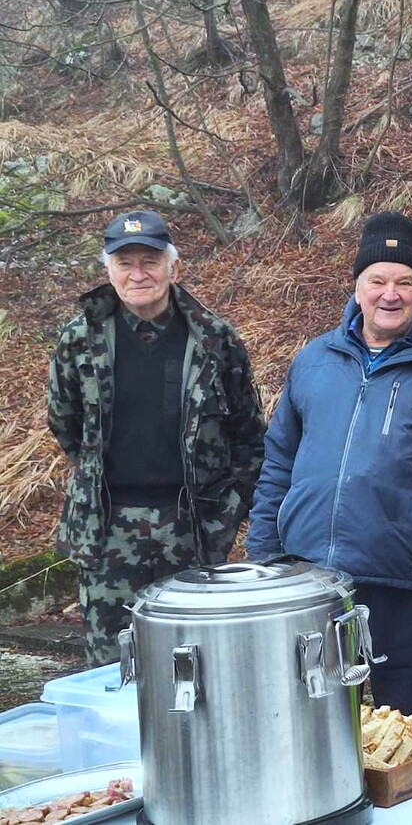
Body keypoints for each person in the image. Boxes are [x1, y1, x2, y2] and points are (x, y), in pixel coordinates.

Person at [246, 212, 412, 720]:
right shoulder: (313, 362)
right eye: (377, 280)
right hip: (305, 584)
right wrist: (266, 557)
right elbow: (278, 465)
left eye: (405, 282)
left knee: (405, 735)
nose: (390, 294)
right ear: (357, 289)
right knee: (304, 726)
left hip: (404, 596)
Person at [47, 210, 266, 665]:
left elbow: (248, 435)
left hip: (192, 529)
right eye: (124, 263)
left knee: (195, 664)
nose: (138, 274)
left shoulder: (215, 339)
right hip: (107, 532)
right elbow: (65, 422)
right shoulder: (80, 339)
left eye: (150, 261)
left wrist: (227, 514)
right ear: (109, 271)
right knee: (112, 669)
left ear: (173, 268)